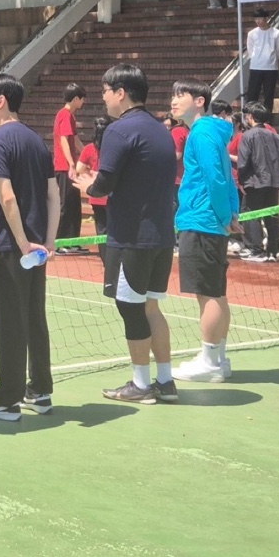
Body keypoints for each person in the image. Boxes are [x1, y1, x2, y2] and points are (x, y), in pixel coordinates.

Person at [71, 63, 179, 405]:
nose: (103, 97)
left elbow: (105, 181)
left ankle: (141, 384)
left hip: (132, 236)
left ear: (121, 93)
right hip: (161, 234)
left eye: (105, 91)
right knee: (151, 307)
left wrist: (89, 186)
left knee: (131, 309)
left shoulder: (119, 131)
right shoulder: (161, 130)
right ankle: (165, 381)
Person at [0, 73, 58, 420]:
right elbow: (54, 195)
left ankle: (7, 399)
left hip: (11, 246)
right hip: (36, 248)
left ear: (1, 101)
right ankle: (40, 390)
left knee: (9, 320)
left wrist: (22, 243)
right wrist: (47, 242)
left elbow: (6, 196)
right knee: (34, 316)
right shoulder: (36, 140)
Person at [169, 81, 241, 383]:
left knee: (207, 294)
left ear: (199, 101)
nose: (173, 101)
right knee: (216, 293)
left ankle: (210, 362)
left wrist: (226, 215)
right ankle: (218, 359)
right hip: (209, 221)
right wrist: (231, 214)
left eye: (180, 95)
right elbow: (226, 176)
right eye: (173, 96)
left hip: (201, 221)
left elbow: (217, 179)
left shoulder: (201, 133)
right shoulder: (210, 132)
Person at [237, 104, 279, 262]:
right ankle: (274, 249)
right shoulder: (276, 136)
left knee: (251, 213)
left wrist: (242, 180)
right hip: (274, 182)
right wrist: (277, 171)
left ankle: (255, 249)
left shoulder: (248, 136)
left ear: (250, 117)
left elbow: (243, 162)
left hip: (255, 182)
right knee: (272, 214)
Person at [53, 84, 86, 251]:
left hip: (69, 167)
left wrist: (87, 155)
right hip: (64, 167)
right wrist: (71, 164)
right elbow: (64, 140)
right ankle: (60, 243)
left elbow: (75, 139)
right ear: (75, 99)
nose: (83, 102)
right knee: (65, 204)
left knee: (74, 204)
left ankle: (72, 240)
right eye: (82, 98)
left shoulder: (69, 116)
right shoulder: (64, 115)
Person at [75, 116, 110, 235]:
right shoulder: (114, 148)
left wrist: (90, 173)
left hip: (96, 194)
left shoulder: (89, 148)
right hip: (112, 195)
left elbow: (79, 168)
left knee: (101, 230)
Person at [245, 8, 279, 112]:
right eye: (256, 19)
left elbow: (278, 50)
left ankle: (267, 116)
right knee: (253, 93)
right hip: (255, 66)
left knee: (269, 94)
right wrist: (255, 58)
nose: (257, 21)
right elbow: (250, 49)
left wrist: (271, 59)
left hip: (271, 67)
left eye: (260, 18)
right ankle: (250, 114)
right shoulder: (252, 33)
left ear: (266, 18)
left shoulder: (277, 33)